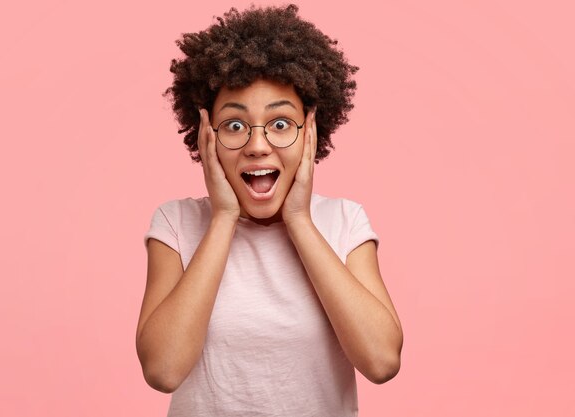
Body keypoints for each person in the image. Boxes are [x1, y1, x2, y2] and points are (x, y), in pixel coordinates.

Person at [136, 5, 403, 416]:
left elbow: (382, 362)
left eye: (280, 124)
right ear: (206, 133)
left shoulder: (345, 223)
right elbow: (163, 370)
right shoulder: (176, 224)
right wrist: (224, 218)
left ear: (310, 130)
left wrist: (299, 220)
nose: (258, 145)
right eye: (235, 125)